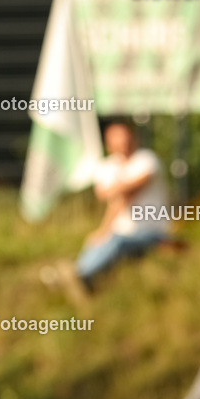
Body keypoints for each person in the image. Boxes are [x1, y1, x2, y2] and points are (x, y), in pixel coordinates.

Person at [72, 121, 171, 291]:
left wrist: (118, 186)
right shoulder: (107, 166)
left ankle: (82, 275)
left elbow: (126, 194)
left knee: (116, 241)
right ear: (109, 144)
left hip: (151, 231)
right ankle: (79, 275)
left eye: (125, 139)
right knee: (96, 241)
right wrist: (103, 230)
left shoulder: (146, 159)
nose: (123, 145)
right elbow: (104, 194)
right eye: (118, 141)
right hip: (121, 231)